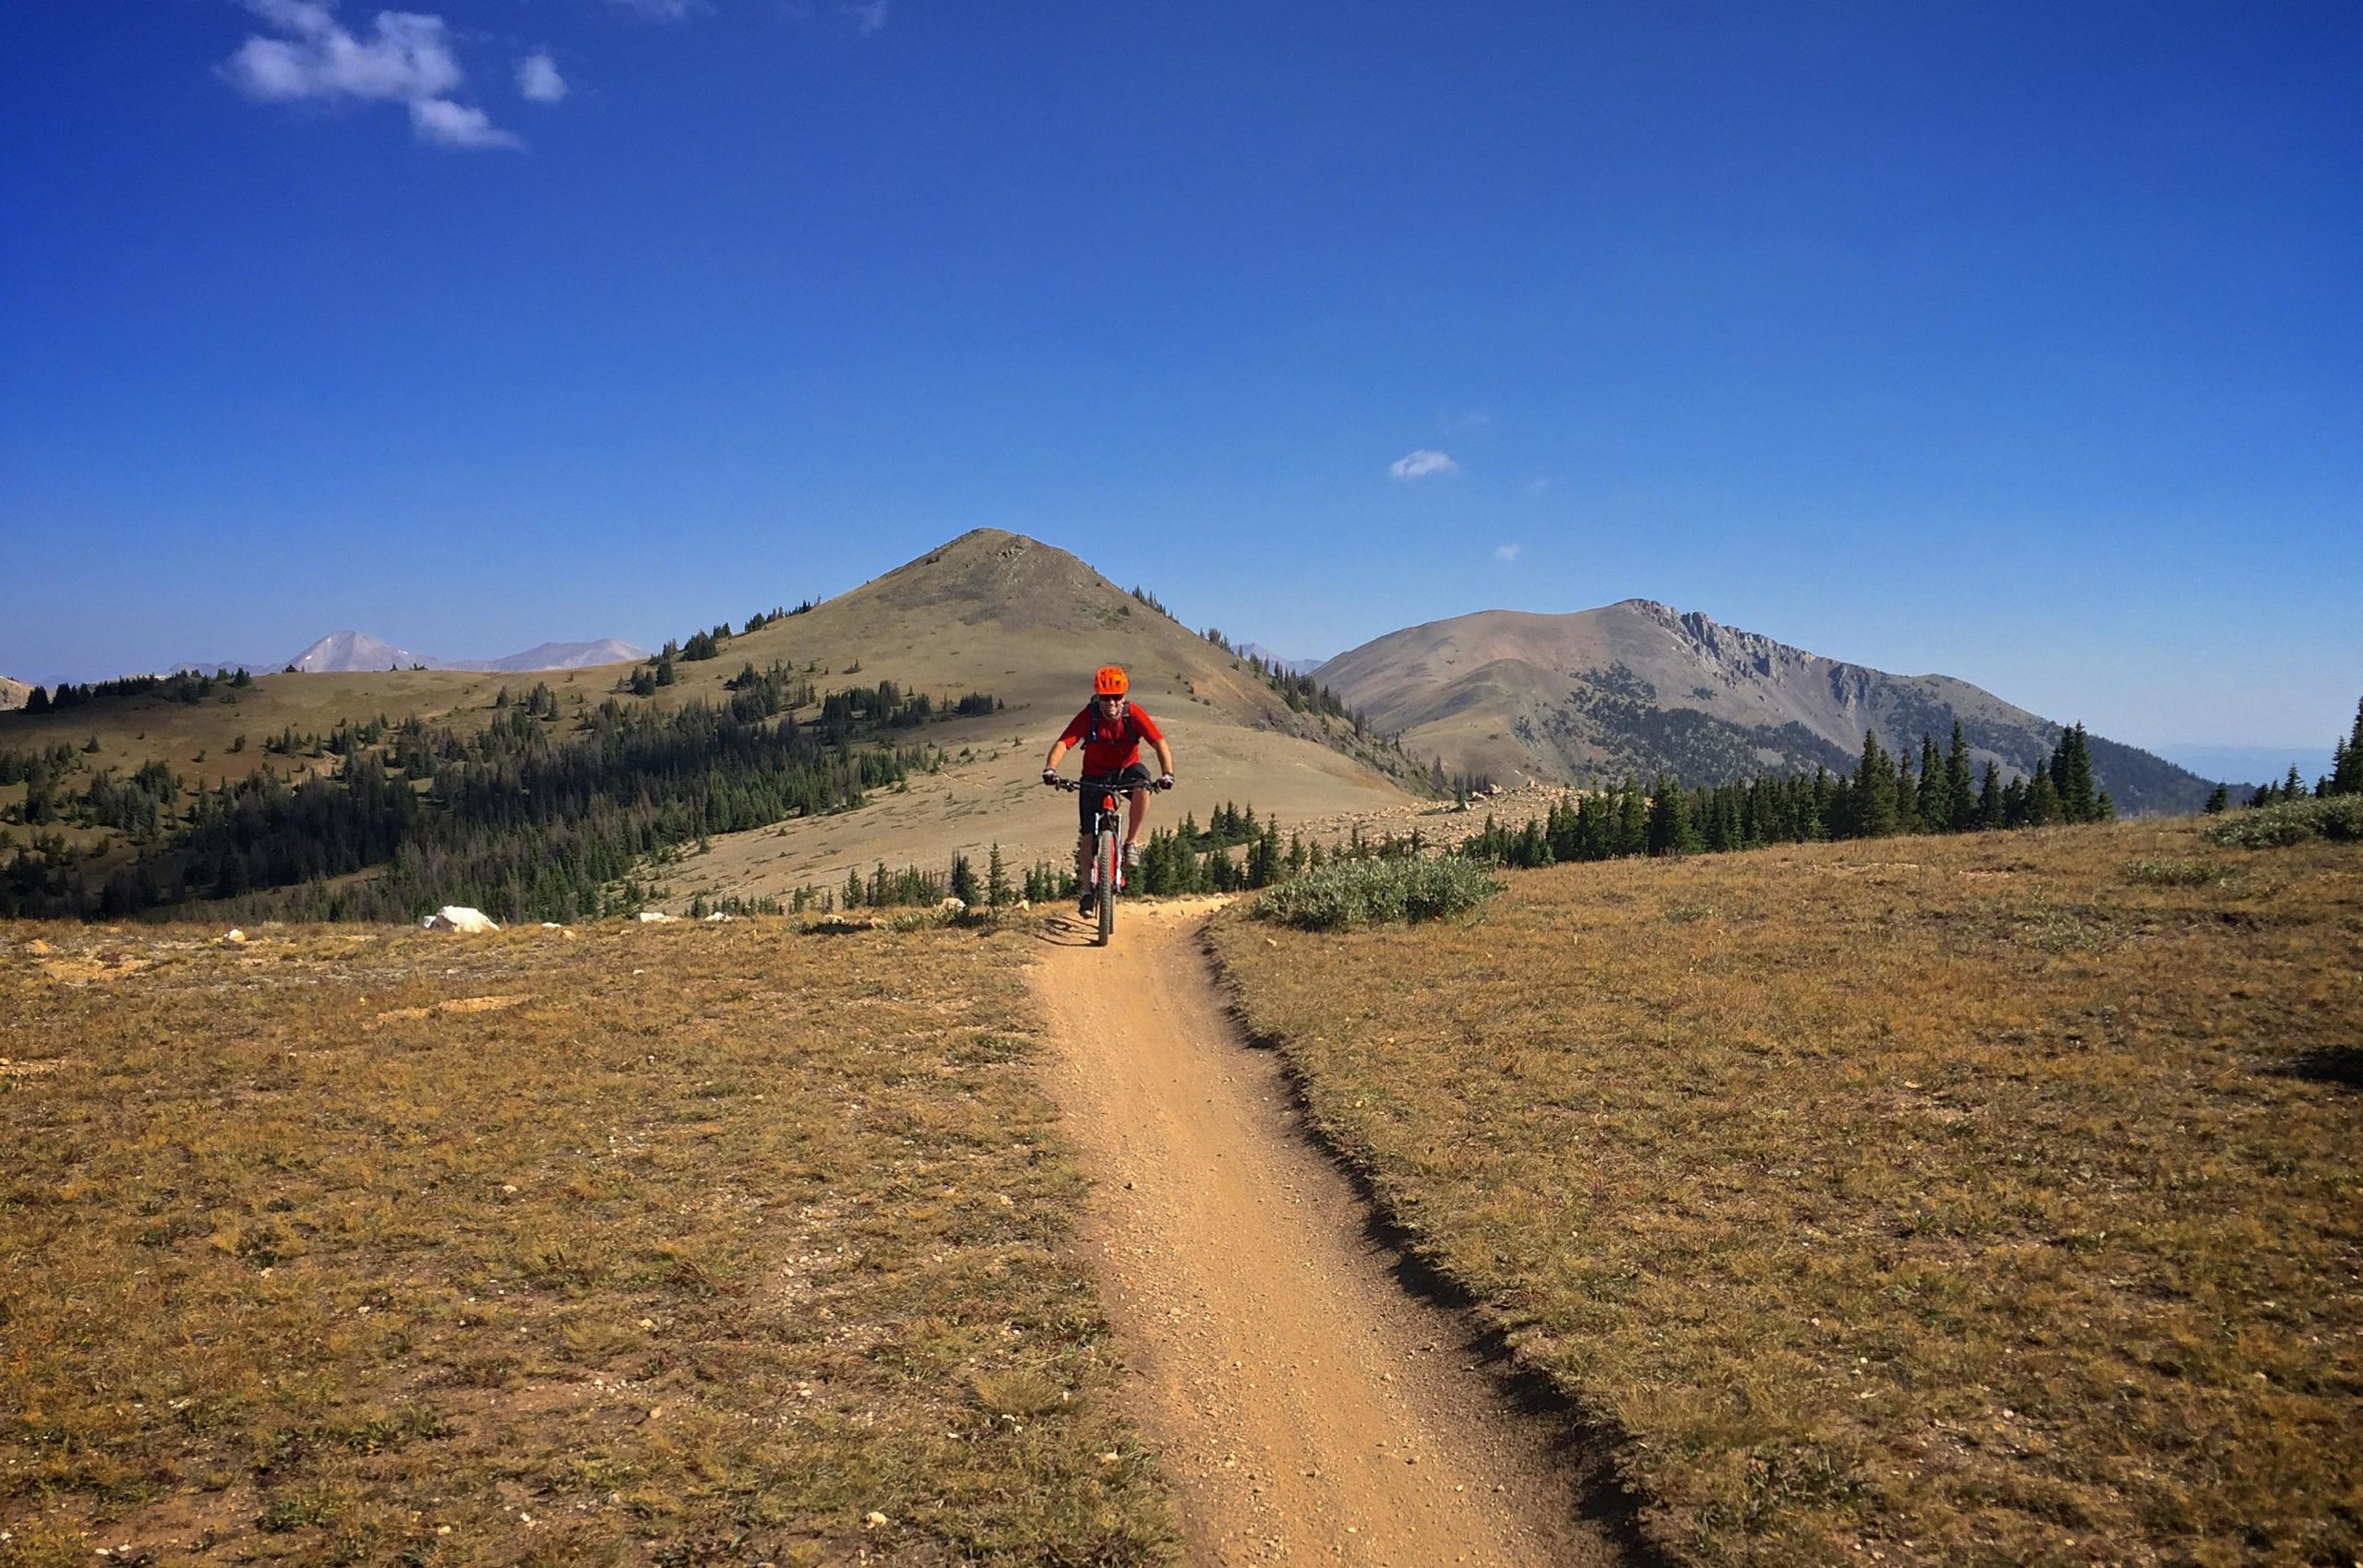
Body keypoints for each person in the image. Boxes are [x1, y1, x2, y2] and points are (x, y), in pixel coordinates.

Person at [1042, 664, 1174, 916]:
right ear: (1098, 696)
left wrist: (1167, 773)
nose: (1112, 703)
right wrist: (1050, 769)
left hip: (1126, 770)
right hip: (1093, 775)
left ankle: (1131, 843)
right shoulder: (1089, 715)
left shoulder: (1133, 714)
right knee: (1088, 838)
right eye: (1106, 697)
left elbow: (1159, 743)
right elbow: (1064, 742)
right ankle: (1087, 892)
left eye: (1117, 697)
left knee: (1143, 786)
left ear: (1124, 696)